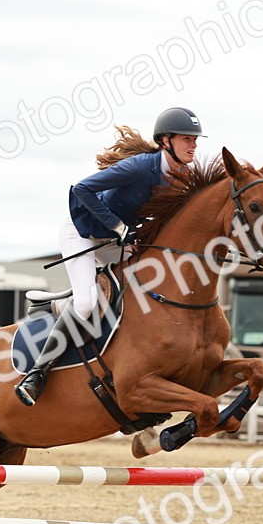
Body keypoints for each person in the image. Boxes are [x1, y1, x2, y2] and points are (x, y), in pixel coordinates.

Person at [14, 107, 204, 406]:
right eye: (186, 139)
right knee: (87, 303)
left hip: (115, 240)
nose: (193, 145)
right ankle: (37, 374)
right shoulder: (140, 168)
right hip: (82, 232)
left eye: (195, 139)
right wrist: (118, 226)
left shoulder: (183, 176)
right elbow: (81, 190)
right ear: (165, 141)